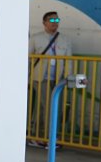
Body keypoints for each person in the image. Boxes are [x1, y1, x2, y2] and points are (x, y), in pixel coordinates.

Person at [28, 11, 72, 146]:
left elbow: (68, 61)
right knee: (50, 106)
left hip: (57, 79)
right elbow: (28, 59)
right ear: (44, 23)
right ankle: (49, 138)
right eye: (51, 21)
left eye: (56, 20)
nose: (55, 23)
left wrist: (67, 79)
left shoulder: (65, 40)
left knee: (42, 108)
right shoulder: (35, 38)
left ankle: (36, 136)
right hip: (40, 78)